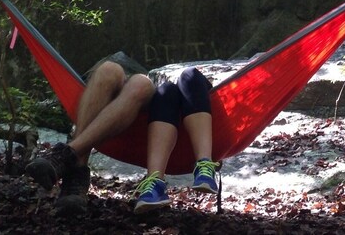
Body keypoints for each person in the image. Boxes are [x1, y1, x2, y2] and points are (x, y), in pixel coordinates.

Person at [26, 63, 218, 214]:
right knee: (109, 70)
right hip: (132, 103)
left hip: (151, 102)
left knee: (152, 83)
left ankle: (68, 156)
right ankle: (76, 166)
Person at [132, 67, 219, 213]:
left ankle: (205, 167)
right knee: (165, 91)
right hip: (169, 127)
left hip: (206, 122)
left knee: (190, 76)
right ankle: (155, 183)